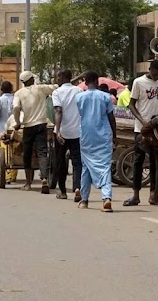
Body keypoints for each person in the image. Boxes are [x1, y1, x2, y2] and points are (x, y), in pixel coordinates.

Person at [125, 60, 158, 206]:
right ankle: (135, 195)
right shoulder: (139, 82)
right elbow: (131, 104)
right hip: (142, 129)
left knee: (156, 163)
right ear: (149, 69)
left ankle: (154, 194)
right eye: (155, 74)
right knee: (138, 161)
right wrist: (142, 120)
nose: (157, 77)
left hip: (157, 129)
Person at [75, 71, 117, 212]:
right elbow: (111, 118)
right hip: (103, 137)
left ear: (86, 82)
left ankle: (84, 199)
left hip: (86, 137)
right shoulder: (106, 97)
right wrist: (115, 136)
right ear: (97, 82)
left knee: (86, 167)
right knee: (104, 167)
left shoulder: (79, 97)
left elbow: (80, 115)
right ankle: (106, 198)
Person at [12, 71, 57, 191]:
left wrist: (17, 122)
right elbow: (55, 87)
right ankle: (44, 179)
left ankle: (28, 183)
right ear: (32, 79)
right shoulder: (41, 89)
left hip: (28, 126)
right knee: (42, 152)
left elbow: (16, 107)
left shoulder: (19, 94)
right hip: (41, 125)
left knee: (27, 154)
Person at [52, 69, 84, 202]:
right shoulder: (79, 91)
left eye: (58, 77)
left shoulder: (57, 92)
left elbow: (58, 110)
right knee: (77, 162)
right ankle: (77, 187)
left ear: (62, 77)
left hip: (63, 132)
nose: (57, 79)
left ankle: (63, 191)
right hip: (77, 132)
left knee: (60, 162)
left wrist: (58, 130)